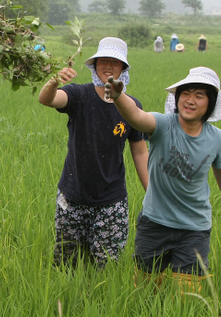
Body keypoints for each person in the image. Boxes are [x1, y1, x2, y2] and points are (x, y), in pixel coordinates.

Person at [105, 66, 221, 293]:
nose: (190, 100)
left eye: (199, 96)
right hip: (155, 222)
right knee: (145, 288)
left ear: (210, 103)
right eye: (186, 94)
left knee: (188, 293)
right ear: (177, 98)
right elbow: (137, 117)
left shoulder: (217, 138)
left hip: (195, 226)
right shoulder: (163, 125)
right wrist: (119, 96)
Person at [38, 37, 149, 269]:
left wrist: (152, 191)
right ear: (95, 65)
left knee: (107, 266)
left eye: (114, 62)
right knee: (66, 264)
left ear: (123, 69)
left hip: (112, 199)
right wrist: (54, 82)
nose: (108, 66)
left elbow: (139, 152)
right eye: (103, 61)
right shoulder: (79, 95)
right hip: (72, 195)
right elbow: (48, 99)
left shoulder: (132, 107)